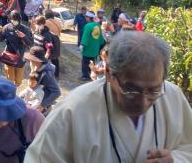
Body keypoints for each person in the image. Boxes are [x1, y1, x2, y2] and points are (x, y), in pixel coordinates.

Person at [24, 32, 192, 163]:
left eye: (154, 90)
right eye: (131, 90)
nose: (144, 101)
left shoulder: (172, 96)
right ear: (109, 73)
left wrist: (175, 159)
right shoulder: (72, 111)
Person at [0, 11, 33, 87]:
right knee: (10, 79)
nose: (13, 21)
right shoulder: (7, 27)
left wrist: (23, 36)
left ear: (19, 20)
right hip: (9, 56)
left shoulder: (25, 29)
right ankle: (11, 93)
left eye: (15, 19)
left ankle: (15, 88)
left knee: (18, 81)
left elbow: (30, 43)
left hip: (20, 57)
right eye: (12, 19)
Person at [24, 47, 61, 114]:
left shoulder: (47, 74)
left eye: (31, 59)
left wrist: (42, 106)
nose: (30, 60)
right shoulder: (37, 67)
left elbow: (57, 92)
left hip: (42, 108)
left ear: (37, 60)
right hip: (34, 101)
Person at [80, 11, 104, 81]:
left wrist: (82, 45)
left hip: (88, 48)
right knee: (92, 62)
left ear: (89, 18)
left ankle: (85, 76)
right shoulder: (98, 25)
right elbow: (100, 38)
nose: (85, 18)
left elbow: (85, 37)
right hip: (95, 48)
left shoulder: (88, 26)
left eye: (86, 17)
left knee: (85, 63)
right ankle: (91, 75)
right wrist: (100, 45)